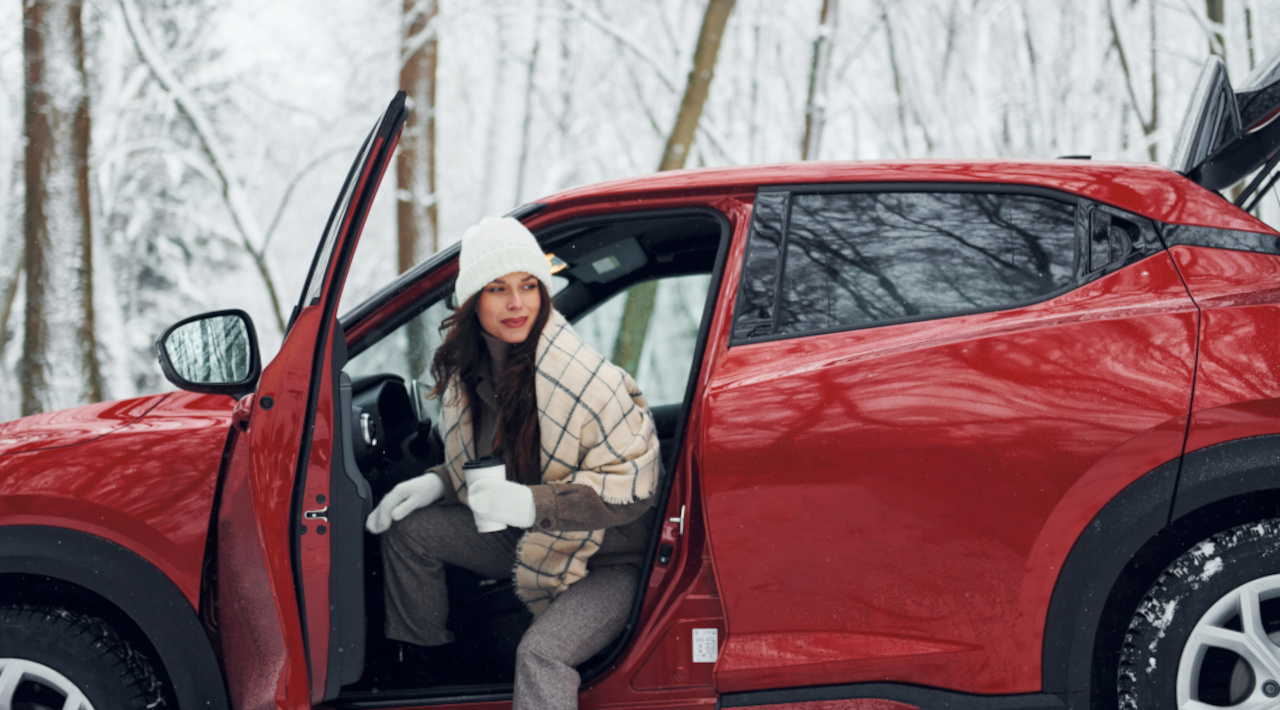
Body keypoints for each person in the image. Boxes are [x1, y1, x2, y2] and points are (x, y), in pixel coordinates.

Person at [365, 216, 662, 709]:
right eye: (497, 288)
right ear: (472, 301)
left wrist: (529, 503)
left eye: (528, 285)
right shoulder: (472, 378)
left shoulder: (591, 382)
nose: (516, 302)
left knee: (540, 655)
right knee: (409, 530)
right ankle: (426, 678)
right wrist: (440, 483)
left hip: (610, 558)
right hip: (533, 536)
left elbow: (632, 494)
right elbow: (488, 466)